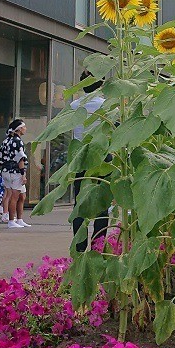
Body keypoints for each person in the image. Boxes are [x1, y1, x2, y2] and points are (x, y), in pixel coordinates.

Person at [71, 72, 109, 252]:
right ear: (100, 85)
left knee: (80, 205)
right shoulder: (106, 106)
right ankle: (98, 246)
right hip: (102, 156)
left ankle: (80, 247)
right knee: (102, 204)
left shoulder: (74, 105)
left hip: (80, 157)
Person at [0, 119, 30, 229]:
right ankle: (12, 220)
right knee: (15, 196)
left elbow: (0, 158)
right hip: (15, 172)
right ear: (19, 129)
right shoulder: (17, 141)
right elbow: (20, 158)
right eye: (24, 127)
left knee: (21, 195)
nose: (25, 129)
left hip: (6, 171)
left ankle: (19, 220)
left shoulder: (6, 141)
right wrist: (23, 174)